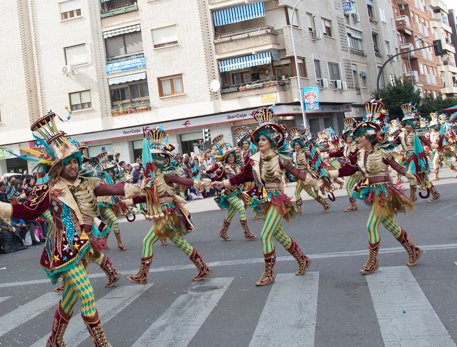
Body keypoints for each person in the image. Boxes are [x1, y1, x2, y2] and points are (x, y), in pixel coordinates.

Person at [0, 113, 124, 347]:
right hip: (63, 248)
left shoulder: (85, 183)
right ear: (58, 167)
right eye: (67, 162)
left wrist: (140, 189)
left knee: (70, 297)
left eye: (75, 160)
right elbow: (28, 211)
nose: (73, 166)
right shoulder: (50, 189)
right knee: (86, 293)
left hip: (82, 246)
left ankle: (55, 340)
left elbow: (112, 189)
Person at [213, 108, 317, 286]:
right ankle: (303, 259)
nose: (259, 142)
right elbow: (242, 177)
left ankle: (269, 273)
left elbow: (296, 173)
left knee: (266, 235)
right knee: (279, 234)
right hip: (263, 201)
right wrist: (223, 184)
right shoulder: (253, 159)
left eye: (263, 139)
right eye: (258, 139)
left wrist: (318, 182)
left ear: (271, 141)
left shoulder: (280, 158)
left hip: (277, 200)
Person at [331, 100, 423, 275]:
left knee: (371, 225)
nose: (357, 139)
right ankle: (413, 250)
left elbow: (396, 166)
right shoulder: (361, 154)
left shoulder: (382, 152)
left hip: (383, 192)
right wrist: (329, 174)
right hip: (371, 192)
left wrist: (409, 173)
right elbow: (349, 169)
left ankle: (373, 261)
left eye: (360, 136)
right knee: (390, 225)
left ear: (370, 138)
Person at [122, 127, 213, 286]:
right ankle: (203, 267)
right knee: (181, 243)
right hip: (162, 215)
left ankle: (142, 275)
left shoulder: (167, 175)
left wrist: (201, 183)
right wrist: (128, 202)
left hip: (167, 215)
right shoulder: (153, 178)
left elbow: (183, 181)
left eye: (153, 159)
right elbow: (146, 197)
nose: (149, 163)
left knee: (147, 241)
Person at [205, 137, 257, 241]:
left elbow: (242, 177)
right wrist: (208, 181)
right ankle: (247, 232)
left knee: (231, 213)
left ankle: (223, 232)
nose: (231, 158)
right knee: (241, 210)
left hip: (237, 191)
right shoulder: (224, 168)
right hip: (229, 193)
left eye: (232, 156)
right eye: (229, 157)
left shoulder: (238, 166)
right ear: (226, 158)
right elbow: (217, 178)